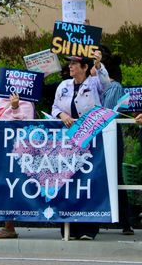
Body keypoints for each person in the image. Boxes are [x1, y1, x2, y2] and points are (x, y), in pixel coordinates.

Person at [51, 51, 110, 240]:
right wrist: (63, 116)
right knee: (67, 180)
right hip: (67, 140)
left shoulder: (93, 83)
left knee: (87, 181)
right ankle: (68, 229)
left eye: (75, 64)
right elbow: (55, 107)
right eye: (69, 64)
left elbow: (105, 83)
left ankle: (88, 229)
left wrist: (99, 64)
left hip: (90, 139)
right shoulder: (63, 85)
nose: (70, 67)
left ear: (85, 67)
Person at [0, 92, 35, 239]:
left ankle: (9, 226)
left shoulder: (26, 101)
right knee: (3, 186)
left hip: (16, 153)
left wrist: (15, 107)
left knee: (12, 186)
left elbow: (23, 124)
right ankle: (7, 225)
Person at [97, 46, 134, 235]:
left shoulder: (115, 87)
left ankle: (125, 222)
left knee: (115, 175)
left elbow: (107, 111)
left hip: (109, 135)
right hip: (94, 136)